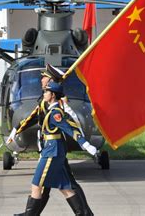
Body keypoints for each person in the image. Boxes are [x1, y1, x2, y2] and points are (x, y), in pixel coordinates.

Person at [9, 64, 93, 215]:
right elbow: (33, 117)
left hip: (53, 150)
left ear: (51, 86)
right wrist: (16, 129)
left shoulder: (59, 107)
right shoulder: (44, 103)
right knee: (64, 187)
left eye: (45, 79)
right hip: (49, 148)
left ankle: (32, 214)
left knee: (42, 184)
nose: (42, 81)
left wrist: (84, 143)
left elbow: (71, 125)